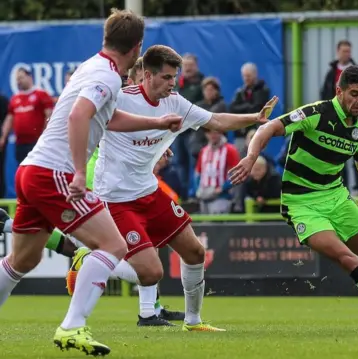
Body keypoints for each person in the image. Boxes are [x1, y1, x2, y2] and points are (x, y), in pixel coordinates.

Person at [0, 9, 183, 355]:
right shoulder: (109, 77)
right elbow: (79, 114)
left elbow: (108, 118)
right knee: (113, 246)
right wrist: (78, 173)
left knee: (21, 261)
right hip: (54, 173)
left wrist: (157, 124)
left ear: (106, 38)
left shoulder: (92, 66)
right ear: (138, 48)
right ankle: (72, 327)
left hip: (31, 170)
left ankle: (73, 324)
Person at [66, 45, 278, 332]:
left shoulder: (175, 102)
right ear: (147, 76)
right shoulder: (119, 100)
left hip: (149, 192)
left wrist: (254, 118)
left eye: (175, 77)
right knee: (152, 272)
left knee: (195, 252)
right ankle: (90, 258)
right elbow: (81, 117)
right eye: (166, 77)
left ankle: (193, 321)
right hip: (116, 200)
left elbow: (215, 120)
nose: (172, 83)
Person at [229, 65, 358, 304]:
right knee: (345, 256)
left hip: (336, 197)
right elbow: (267, 128)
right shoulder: (315, 113)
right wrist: (250, 158)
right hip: (301, 203)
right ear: (339, 91)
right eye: (354, 93)